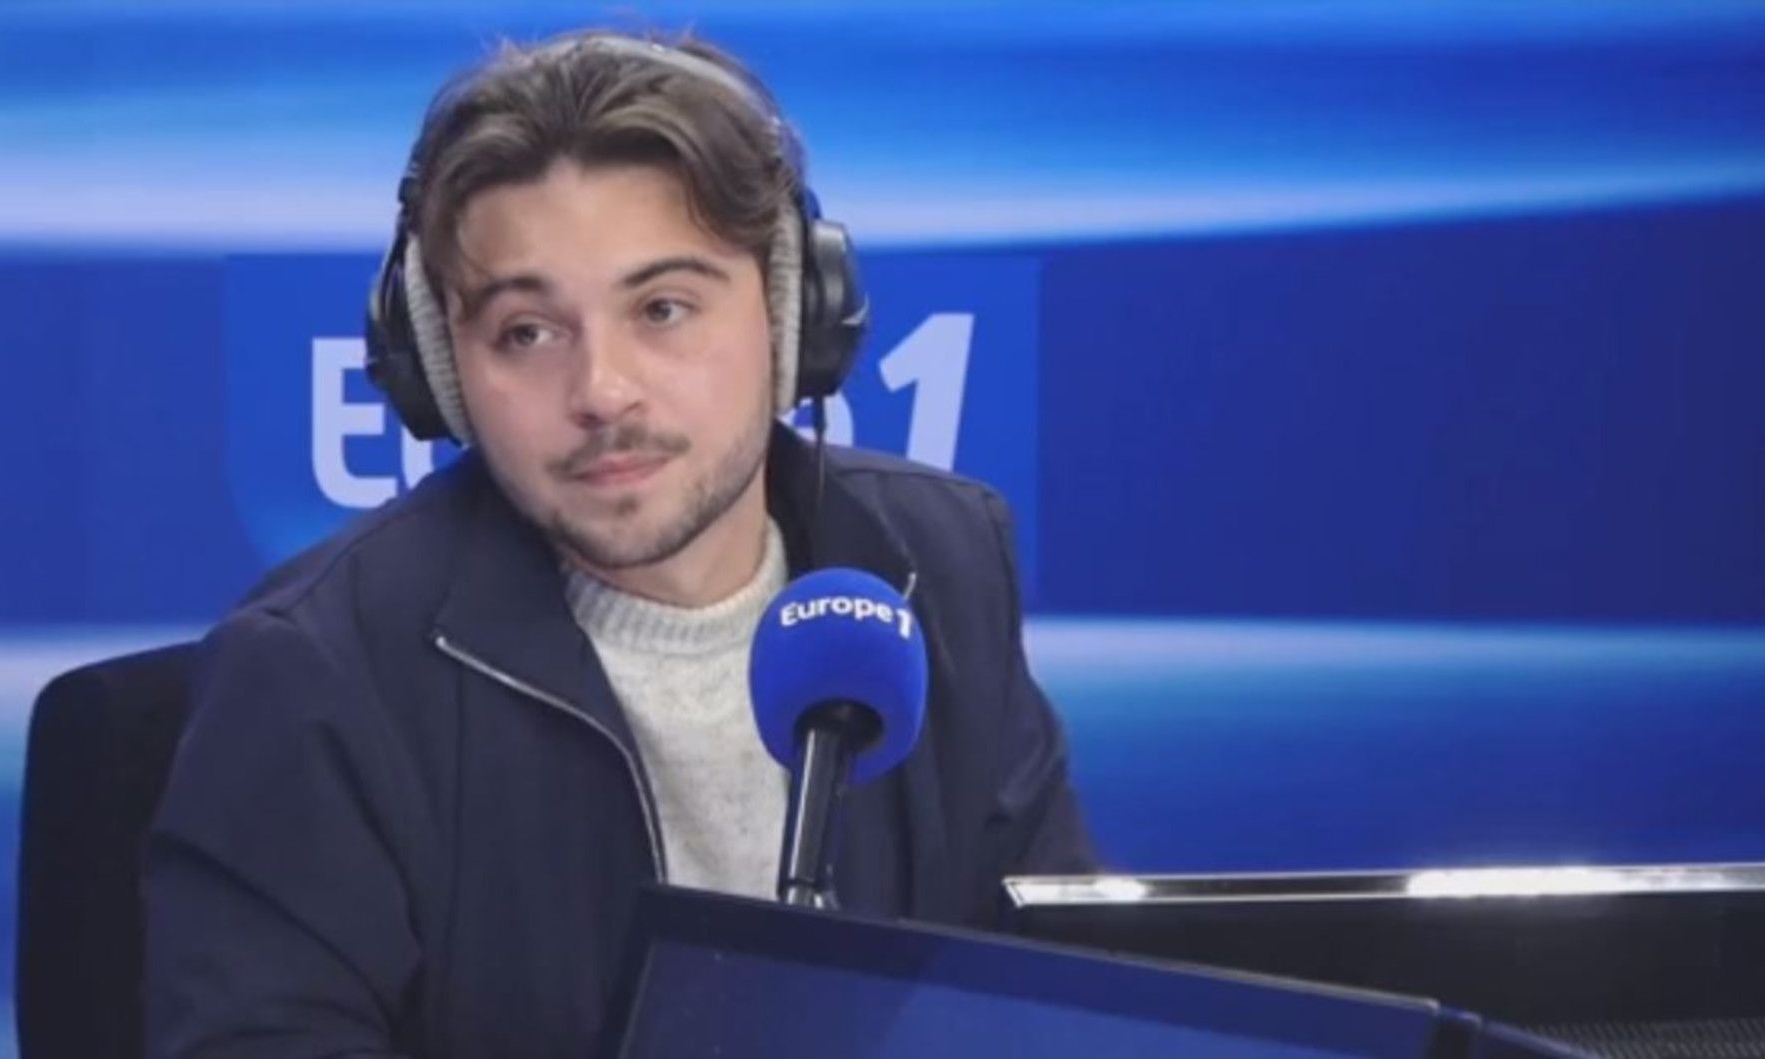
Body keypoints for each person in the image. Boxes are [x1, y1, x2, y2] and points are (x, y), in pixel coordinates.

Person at [143, 28, 1094, 1059]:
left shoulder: (935, 564)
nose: (601, 391)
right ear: (443, 371)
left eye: (663, 308)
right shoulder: (318, 677)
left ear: (790, 312)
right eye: (526, 331)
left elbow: (1069, 1002)